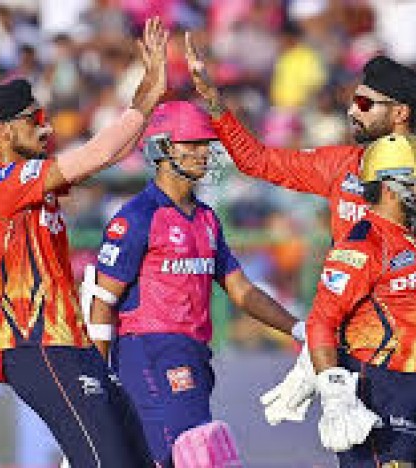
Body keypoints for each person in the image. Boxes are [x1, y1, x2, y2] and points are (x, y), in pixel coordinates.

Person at [185, 33, 416, 467]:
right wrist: (214, 104)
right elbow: (256, 160)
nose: (351, 110)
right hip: (355, 342)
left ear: (400, 113)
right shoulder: (339, 165)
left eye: (363, 103)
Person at [0, 17, 168, 468]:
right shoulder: (1, 184)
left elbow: (112, 153)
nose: (45, 129)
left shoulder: (29, 182)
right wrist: (148, 96)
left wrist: (148, 92)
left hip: (73, 346)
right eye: (34, 120)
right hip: (39, 346)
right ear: (3, 132)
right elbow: (100, 151)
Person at [77, 100, 307, 467]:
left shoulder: (207, 219)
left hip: (194, 352)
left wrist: (298, 329)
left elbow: (242, 291)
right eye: (193, 143)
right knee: (195, 455)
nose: (204, 153)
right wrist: (96, 377)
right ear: (162, 147)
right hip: (149, 351)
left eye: (206, 144)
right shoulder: (138, 216)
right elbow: (102, 299)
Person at [307, 133, 416, 466]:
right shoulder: (363, 243)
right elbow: (322, 321)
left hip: (412, 385)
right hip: (376, 385)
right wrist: (333, 390)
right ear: (389, 188)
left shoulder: (410, 239)